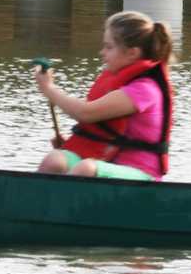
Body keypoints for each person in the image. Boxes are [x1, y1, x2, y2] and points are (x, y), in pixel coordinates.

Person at [36, 11, 174, 180]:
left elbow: (86, 113)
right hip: (108, 161)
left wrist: (49, 88)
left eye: (109, 47)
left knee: (86, 168)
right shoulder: (119, 82)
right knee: (55, 160)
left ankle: (68, 205)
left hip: (141, 174)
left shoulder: (145, 90)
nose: (102, 52)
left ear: (132, 53)